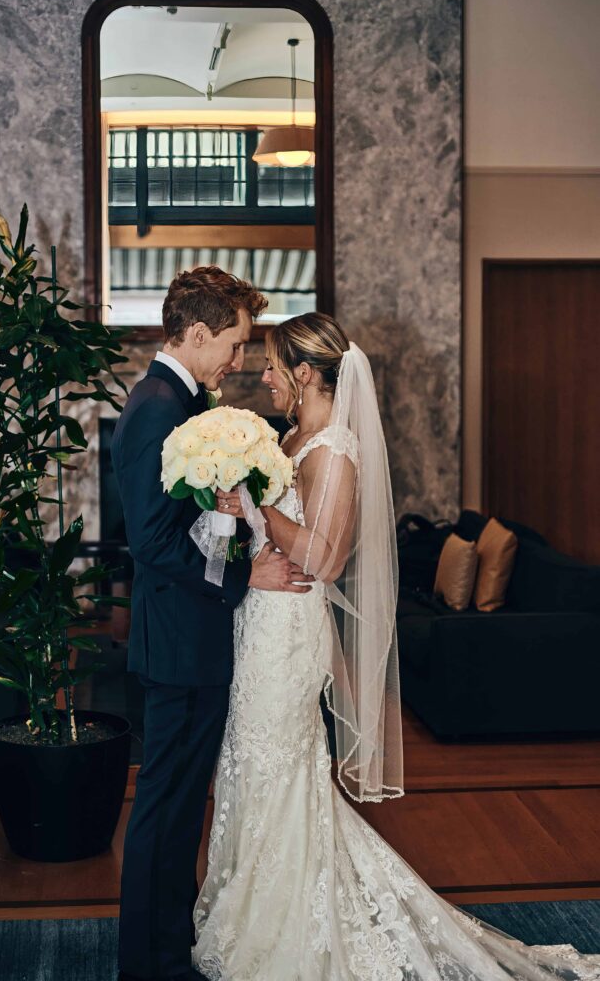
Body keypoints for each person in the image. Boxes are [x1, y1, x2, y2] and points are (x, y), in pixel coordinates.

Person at [193, 311, 600, 980]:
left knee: (278, 766)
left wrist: (256, 509)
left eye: (271, 365)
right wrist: (239, 517)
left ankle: (285, 921)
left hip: (290, 632)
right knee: (248, 764)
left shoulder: (335, 450)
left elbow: (326, 557)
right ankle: (249, 902)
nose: (261, 377)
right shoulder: (293, 437)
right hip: (257, 621)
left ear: (303, 372)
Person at [110, 268, 314, 981]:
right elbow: (151, 543)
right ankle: (149, 963)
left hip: (197, 638)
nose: (238, 359)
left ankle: (171, 946)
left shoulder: (187, 401)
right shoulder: (154, 409)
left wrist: (233, 525)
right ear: (196, 333)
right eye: (232, 342)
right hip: (176, 643)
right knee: (164, 808)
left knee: (179, 805)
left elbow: (192, 523)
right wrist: (244, 574)